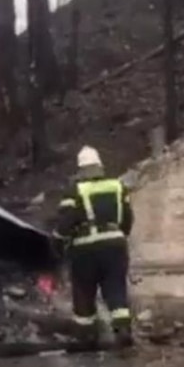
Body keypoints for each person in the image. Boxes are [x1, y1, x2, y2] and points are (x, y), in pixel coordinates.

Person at [53, 145, 135, 347]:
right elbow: (127, 218)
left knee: (84, 290)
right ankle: (123, 329)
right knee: (116, 288)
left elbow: (66, 222)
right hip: (115, 246)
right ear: (100, 166)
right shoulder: (118, 186)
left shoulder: (75, 190)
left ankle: (86, 335)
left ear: (81, 169)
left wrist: (57, 240)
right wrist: (118, 235)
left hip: (85, 249)